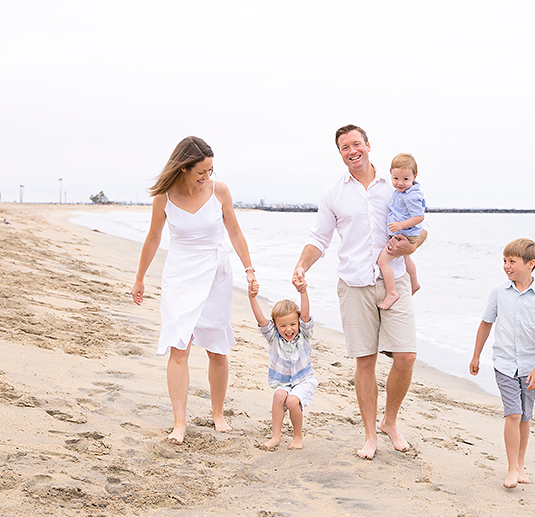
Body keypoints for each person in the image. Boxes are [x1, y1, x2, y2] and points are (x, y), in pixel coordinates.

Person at [293, 124, 426, 459]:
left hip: (393, 280)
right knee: (365, 362)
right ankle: (370, 435)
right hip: (354, 285)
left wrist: (411, 247)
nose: (352, 151)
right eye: (344, 147)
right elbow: (319, 238)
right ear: (340, 153)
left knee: (406, 356)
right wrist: (301, 266)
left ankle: (389, 421)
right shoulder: (333, 193)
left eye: (356, 144)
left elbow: (420, 228)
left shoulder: (395, 186)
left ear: (368, 145)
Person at [131, 136, 257, 444]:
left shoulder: (220, 191)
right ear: (184, 168)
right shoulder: (165, 196)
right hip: (179, 273)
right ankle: (179, 422)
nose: (207, 177)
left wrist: (249, 269)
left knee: (216, 347)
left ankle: (218, 414)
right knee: (179, 346)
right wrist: (139, 278)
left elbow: (236, 232)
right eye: (201, 171)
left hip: (215, 273)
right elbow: (152, 239)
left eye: (211, 170)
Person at [469, 238, 535, 488]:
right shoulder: (498, 292)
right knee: (514, 413)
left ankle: (520, 465)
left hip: (530, 367)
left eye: (512, 261)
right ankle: (511, 469)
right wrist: (476, 355)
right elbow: (486, 323)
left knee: (525, 417)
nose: (507, 266)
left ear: (530, 264)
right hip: (505, 364)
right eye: (504, 261)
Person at [248, 279, 317, 449]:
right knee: (279, 396)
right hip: (283, 382)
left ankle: (297, 437)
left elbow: (306, 315)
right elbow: (261, 320)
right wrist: (252, 298)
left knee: (293, 401)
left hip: (303, 380)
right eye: (283, 325)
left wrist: (303, 292)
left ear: (298, 323)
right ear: (275, 325)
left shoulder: (304, 334)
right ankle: (276, 437)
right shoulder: (273, 338)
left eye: (293, 324)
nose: (288, 329)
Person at [376, 153, 426, 310]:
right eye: (396, 178)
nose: (400, 183)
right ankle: (414, 283)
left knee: (382, 261)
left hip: (404, 232)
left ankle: (392, 293)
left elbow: (419, 217)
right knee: (405, 257)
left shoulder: (411, 196)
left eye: (405, 179)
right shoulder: (402, 192)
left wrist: (400, 225)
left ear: (414, 176)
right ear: (390, 174)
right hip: (406, 232)